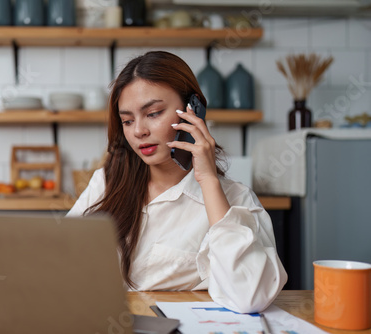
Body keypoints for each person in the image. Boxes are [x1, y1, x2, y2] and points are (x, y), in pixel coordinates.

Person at [67, 51, 287, 313]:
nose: (138, 131)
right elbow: (61, 262)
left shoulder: (237, 200)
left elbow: (249, 297)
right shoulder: (106, 184)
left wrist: (207, 180)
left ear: (192, 111)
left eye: (154, 113)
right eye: (127, 120)